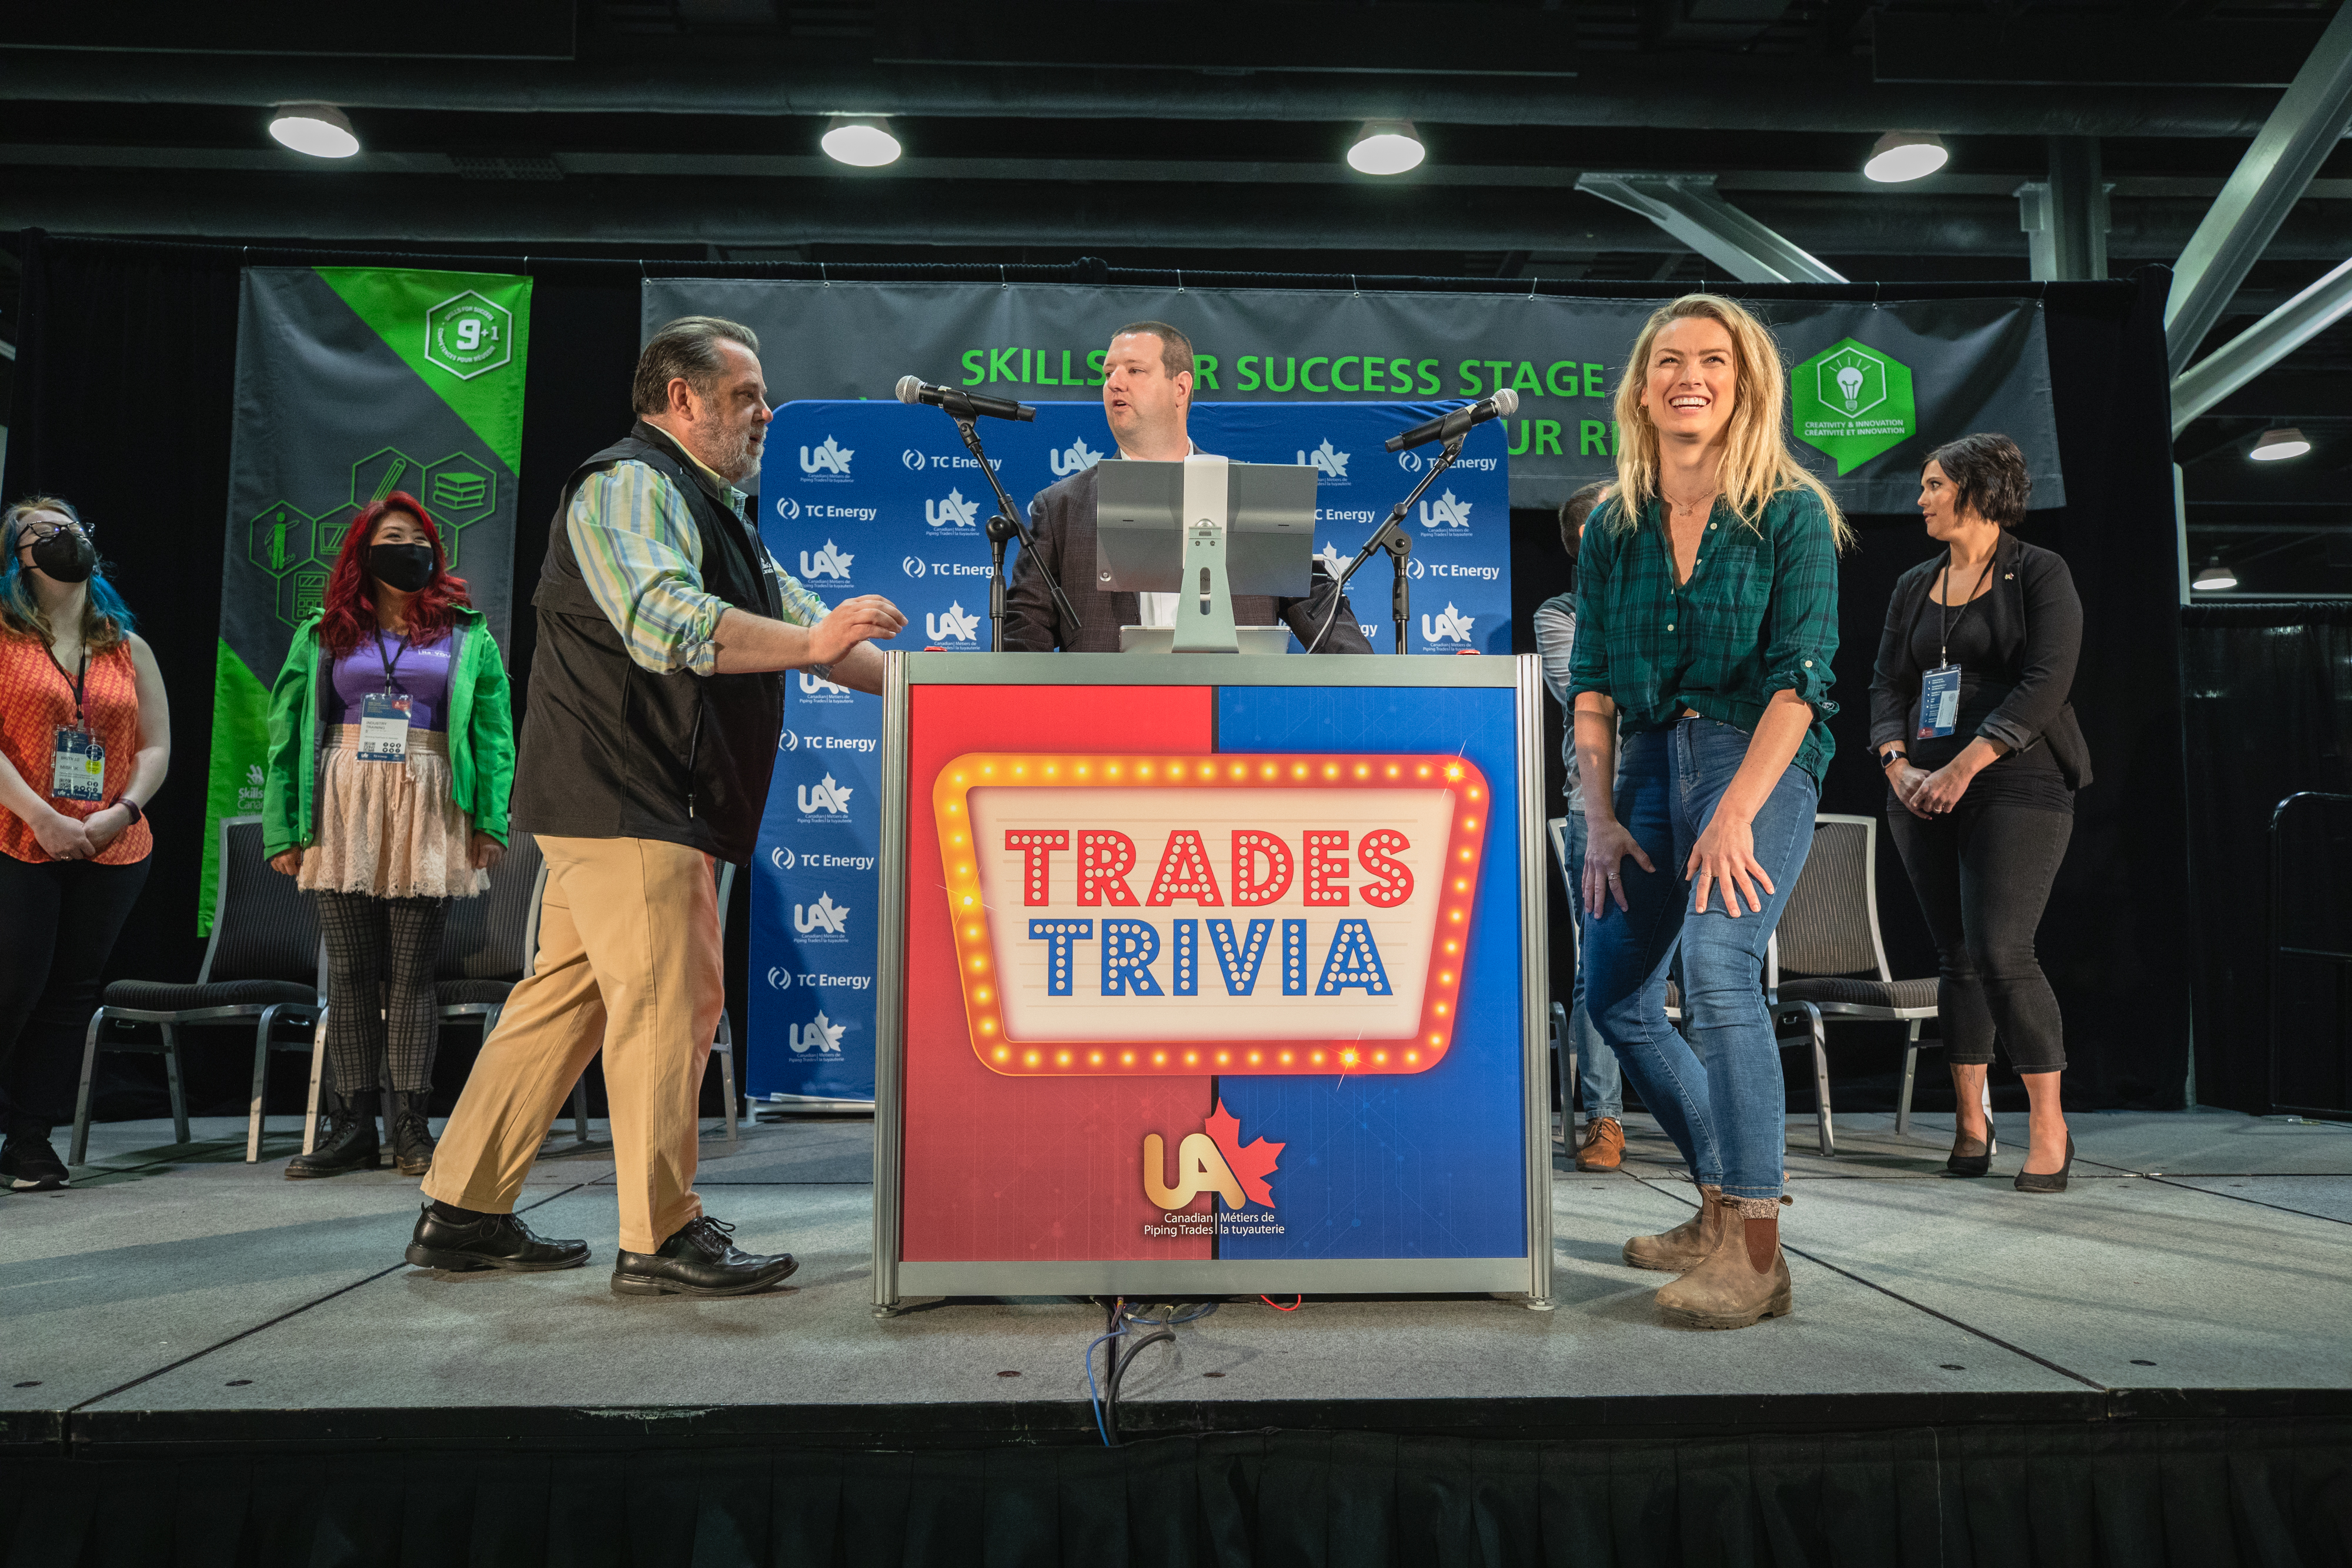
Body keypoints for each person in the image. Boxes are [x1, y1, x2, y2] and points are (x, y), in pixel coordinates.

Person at [409, 315, 906, 1297]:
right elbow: (661, 620)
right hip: (631, 795)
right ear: (681, 398)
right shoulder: (631, 483)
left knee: (566, 1002)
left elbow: (807, 622)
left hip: (625, 795)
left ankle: (462, 1210)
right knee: (669, 1006)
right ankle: (661, 1232)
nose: (765, 412)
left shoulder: (712, 504)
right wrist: (812, 647)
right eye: (744, 395)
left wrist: (922, 689)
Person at [1569, 293, 1847, 1330]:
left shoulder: (1792, 511)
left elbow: (1802, 683)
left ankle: (1759, 1253)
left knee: (1720, 969)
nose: (1691, 375)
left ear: (1746, 384)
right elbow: (1591, 682)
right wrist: (1597, 816)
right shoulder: (1614, 523)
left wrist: (1735, 811)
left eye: (1715, 361)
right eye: (1670, 360)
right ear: (1643, 387)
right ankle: (1717, 1203)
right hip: (1642, 758)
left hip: (1753, 754)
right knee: (1618, 999)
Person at [263, 493, 513, 1182]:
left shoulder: (466, 633)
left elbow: (494, 734)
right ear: (363, 554)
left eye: (418, 536)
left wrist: (490, 820)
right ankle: (350, 1124)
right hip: (343, 802)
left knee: (411, 975)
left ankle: (411, 1124)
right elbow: (286, 734)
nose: (409, 547)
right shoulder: (325, 633)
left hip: (429, 801)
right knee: (347, 972)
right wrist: (286, 827)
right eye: (392, 537)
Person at [1870, 433, 2087, 1194]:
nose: (1922, 497)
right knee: (1955, 955)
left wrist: (1968, 762)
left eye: (1933, 484)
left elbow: (2048, 678)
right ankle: (1972, 1123)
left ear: (1975, 488)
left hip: (2015, 781)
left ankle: (2051, 1127)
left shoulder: (2038, 571)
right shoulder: (1912, 584)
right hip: (1921, 788)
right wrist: (1897, 763)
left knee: (2002, 949)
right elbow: (1887, 684)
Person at [1003, 321, 1374, 653]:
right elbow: (1024, 638)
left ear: (1180, 387)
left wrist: (1369, 685)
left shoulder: (1254, 494)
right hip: (1107, 716)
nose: (1115, 382)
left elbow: (1325, 621)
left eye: (1134, 370)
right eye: (1109, 373)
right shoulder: (1060, 507)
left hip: (1231, 712)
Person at [0, 498, 168, 1192]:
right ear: (19, 556)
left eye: (71, 525)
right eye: (43, 528)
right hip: (18, 833)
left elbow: (156, 745)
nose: (64, 535)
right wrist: (43, 818)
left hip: (112, 845)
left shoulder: (126, 645)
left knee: (71, 995)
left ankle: (30, 1140)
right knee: (13, 986)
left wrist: (122, 812)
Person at [1532, 481, 1625, 1172]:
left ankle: (1712, 1117)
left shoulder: (1678, 598)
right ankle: (1605, 1119)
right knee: (1599, 965)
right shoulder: (1560, 614)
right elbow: (1584, 691)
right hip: (1599, 810)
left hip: (1679, 798)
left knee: (1705, 965)